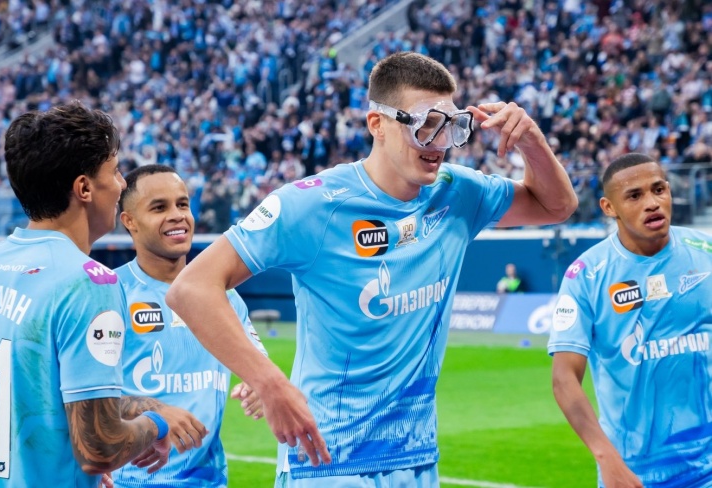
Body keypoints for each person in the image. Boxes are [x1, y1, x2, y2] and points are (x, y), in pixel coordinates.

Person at [167, 51, 577, 486]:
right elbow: (191, 288)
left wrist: (531, 140)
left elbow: (557, 206)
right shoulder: (312, 204)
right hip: (325, 461)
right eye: (425, 124)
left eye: (450, 126)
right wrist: (269, 383)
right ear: (377, 124)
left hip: (416, 459)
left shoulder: (458, 193)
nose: (438, 142)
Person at [0, 101, 170, 487]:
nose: (122, 184)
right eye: (114, 171)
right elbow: (100, 449)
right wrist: (157, 423)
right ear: (84, 188)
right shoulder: (89, 283)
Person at [549, 152, 712, 488]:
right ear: (609, 207)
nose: (652, 203)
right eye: (635, 196)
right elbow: (564, 378)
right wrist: (607, 459)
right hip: (633, 473)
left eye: (658, 190)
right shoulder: (586, 276)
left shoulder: (705, 251)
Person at [112, 164, 265, 487]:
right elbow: (83, 400)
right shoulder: (109, 294)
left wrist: (258, 385)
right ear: (129, 221)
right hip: (132, 481)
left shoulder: (224, 295)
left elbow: (259, 363)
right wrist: (155, 414)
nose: (177, 215)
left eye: (182, 204)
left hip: (210, 480)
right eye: (159, 207)